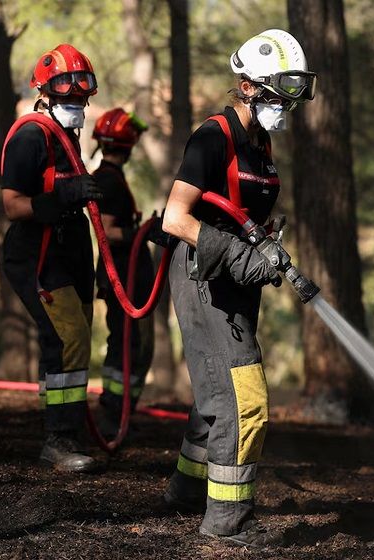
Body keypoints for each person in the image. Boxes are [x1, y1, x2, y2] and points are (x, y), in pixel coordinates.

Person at [160, 29, 316, 546]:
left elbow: (246, 215)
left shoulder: (260, 141)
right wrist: (237, 253)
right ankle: (229, 521)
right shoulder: (213, 137)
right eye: (278, 95)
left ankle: (186, 489)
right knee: (244, 400)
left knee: (215, 388)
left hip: (236, 283)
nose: (285, 107)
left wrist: (265, 246)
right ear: (247, 86)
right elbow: (175, 218)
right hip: (204, 278)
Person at [1, 44, 103, 473]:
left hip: (71, 247)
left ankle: (69, 430)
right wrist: (61, 196)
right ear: (45, 92)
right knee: (67, 338)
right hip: (37, 252)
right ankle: (58, 441)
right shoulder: (30, 135)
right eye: (67, 92)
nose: (75, 101)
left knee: (75, 337)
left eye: (82, 94)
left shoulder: (69, 136)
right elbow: (13, 206)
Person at [91, 108, 155, 435]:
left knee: (134, 343)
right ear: (127, 147)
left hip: (128, 274)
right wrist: (141, 232)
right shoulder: (107, 181)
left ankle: (121, 410)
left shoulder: (110, 178)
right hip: (122, 276)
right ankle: (114, 412)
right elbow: (106, 231)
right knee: (129, 343)